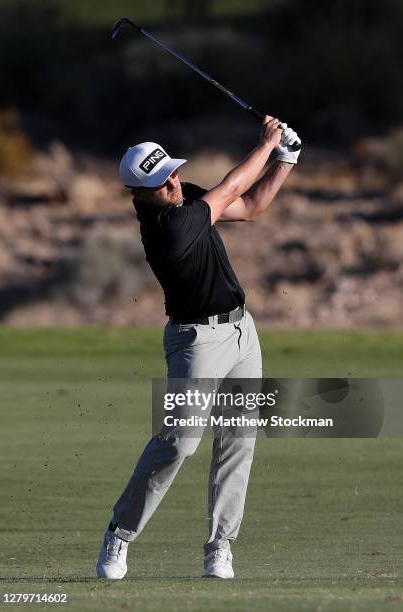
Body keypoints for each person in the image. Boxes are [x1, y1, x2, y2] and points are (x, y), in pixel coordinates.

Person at [96, 116, 301, 579]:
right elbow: (230, 188)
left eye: (170, 171)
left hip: (242, 334)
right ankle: (119, 535)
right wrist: (267, 144)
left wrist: (286, 159)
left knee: (237, 442)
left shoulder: (181, 193)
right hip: (196, 342)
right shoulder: (167, 225)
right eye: (160, 180)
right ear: (138, 193)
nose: (172, 181)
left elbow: (247, 206)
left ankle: (220, 547)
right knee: (178, 443)